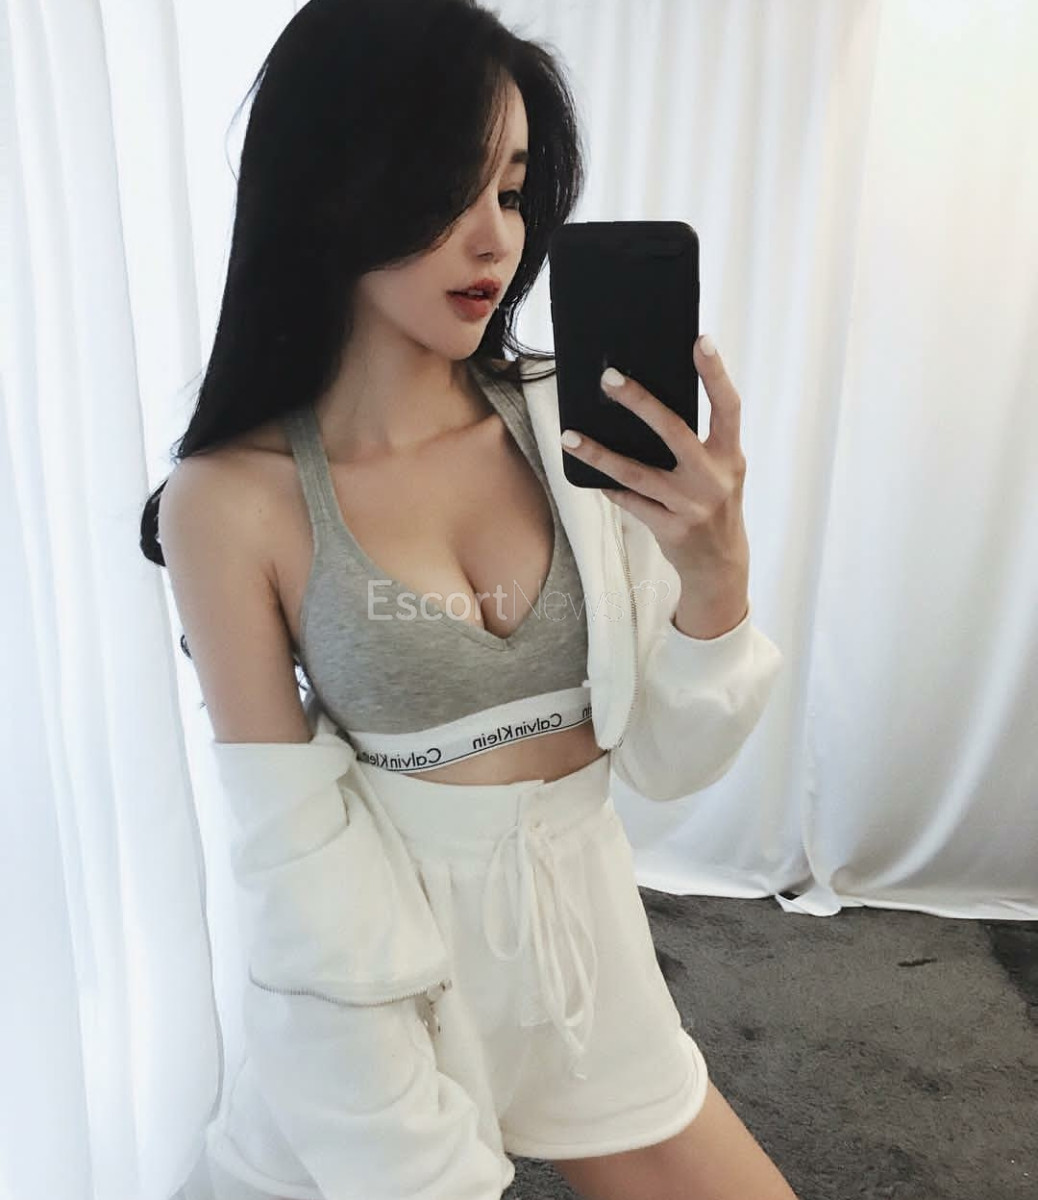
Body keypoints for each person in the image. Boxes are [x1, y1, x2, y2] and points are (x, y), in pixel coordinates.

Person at [142, 1, 798, 1197]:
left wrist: (717, 581)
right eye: (450, 187)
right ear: (331, 183)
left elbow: (668, 761)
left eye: (513, 189)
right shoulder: (230, 500)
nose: (496, 237)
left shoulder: (570, 430)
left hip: (590, 969)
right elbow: (295, 852)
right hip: (376, 1004)